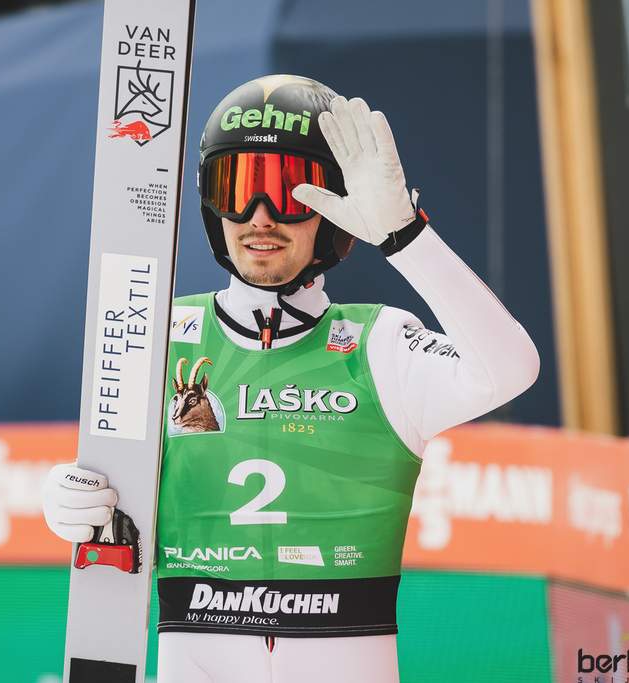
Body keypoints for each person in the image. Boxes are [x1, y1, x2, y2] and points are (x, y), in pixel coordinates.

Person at [44, 74, 539, 682]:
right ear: (211, 206)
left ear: (335, 210)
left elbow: (511, 369)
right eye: (236, 188)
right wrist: (73, 500)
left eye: (290, 192)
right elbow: (110, 489)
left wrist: (404, 234)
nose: (260, 216)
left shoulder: (381, 345)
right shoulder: (156, 335)